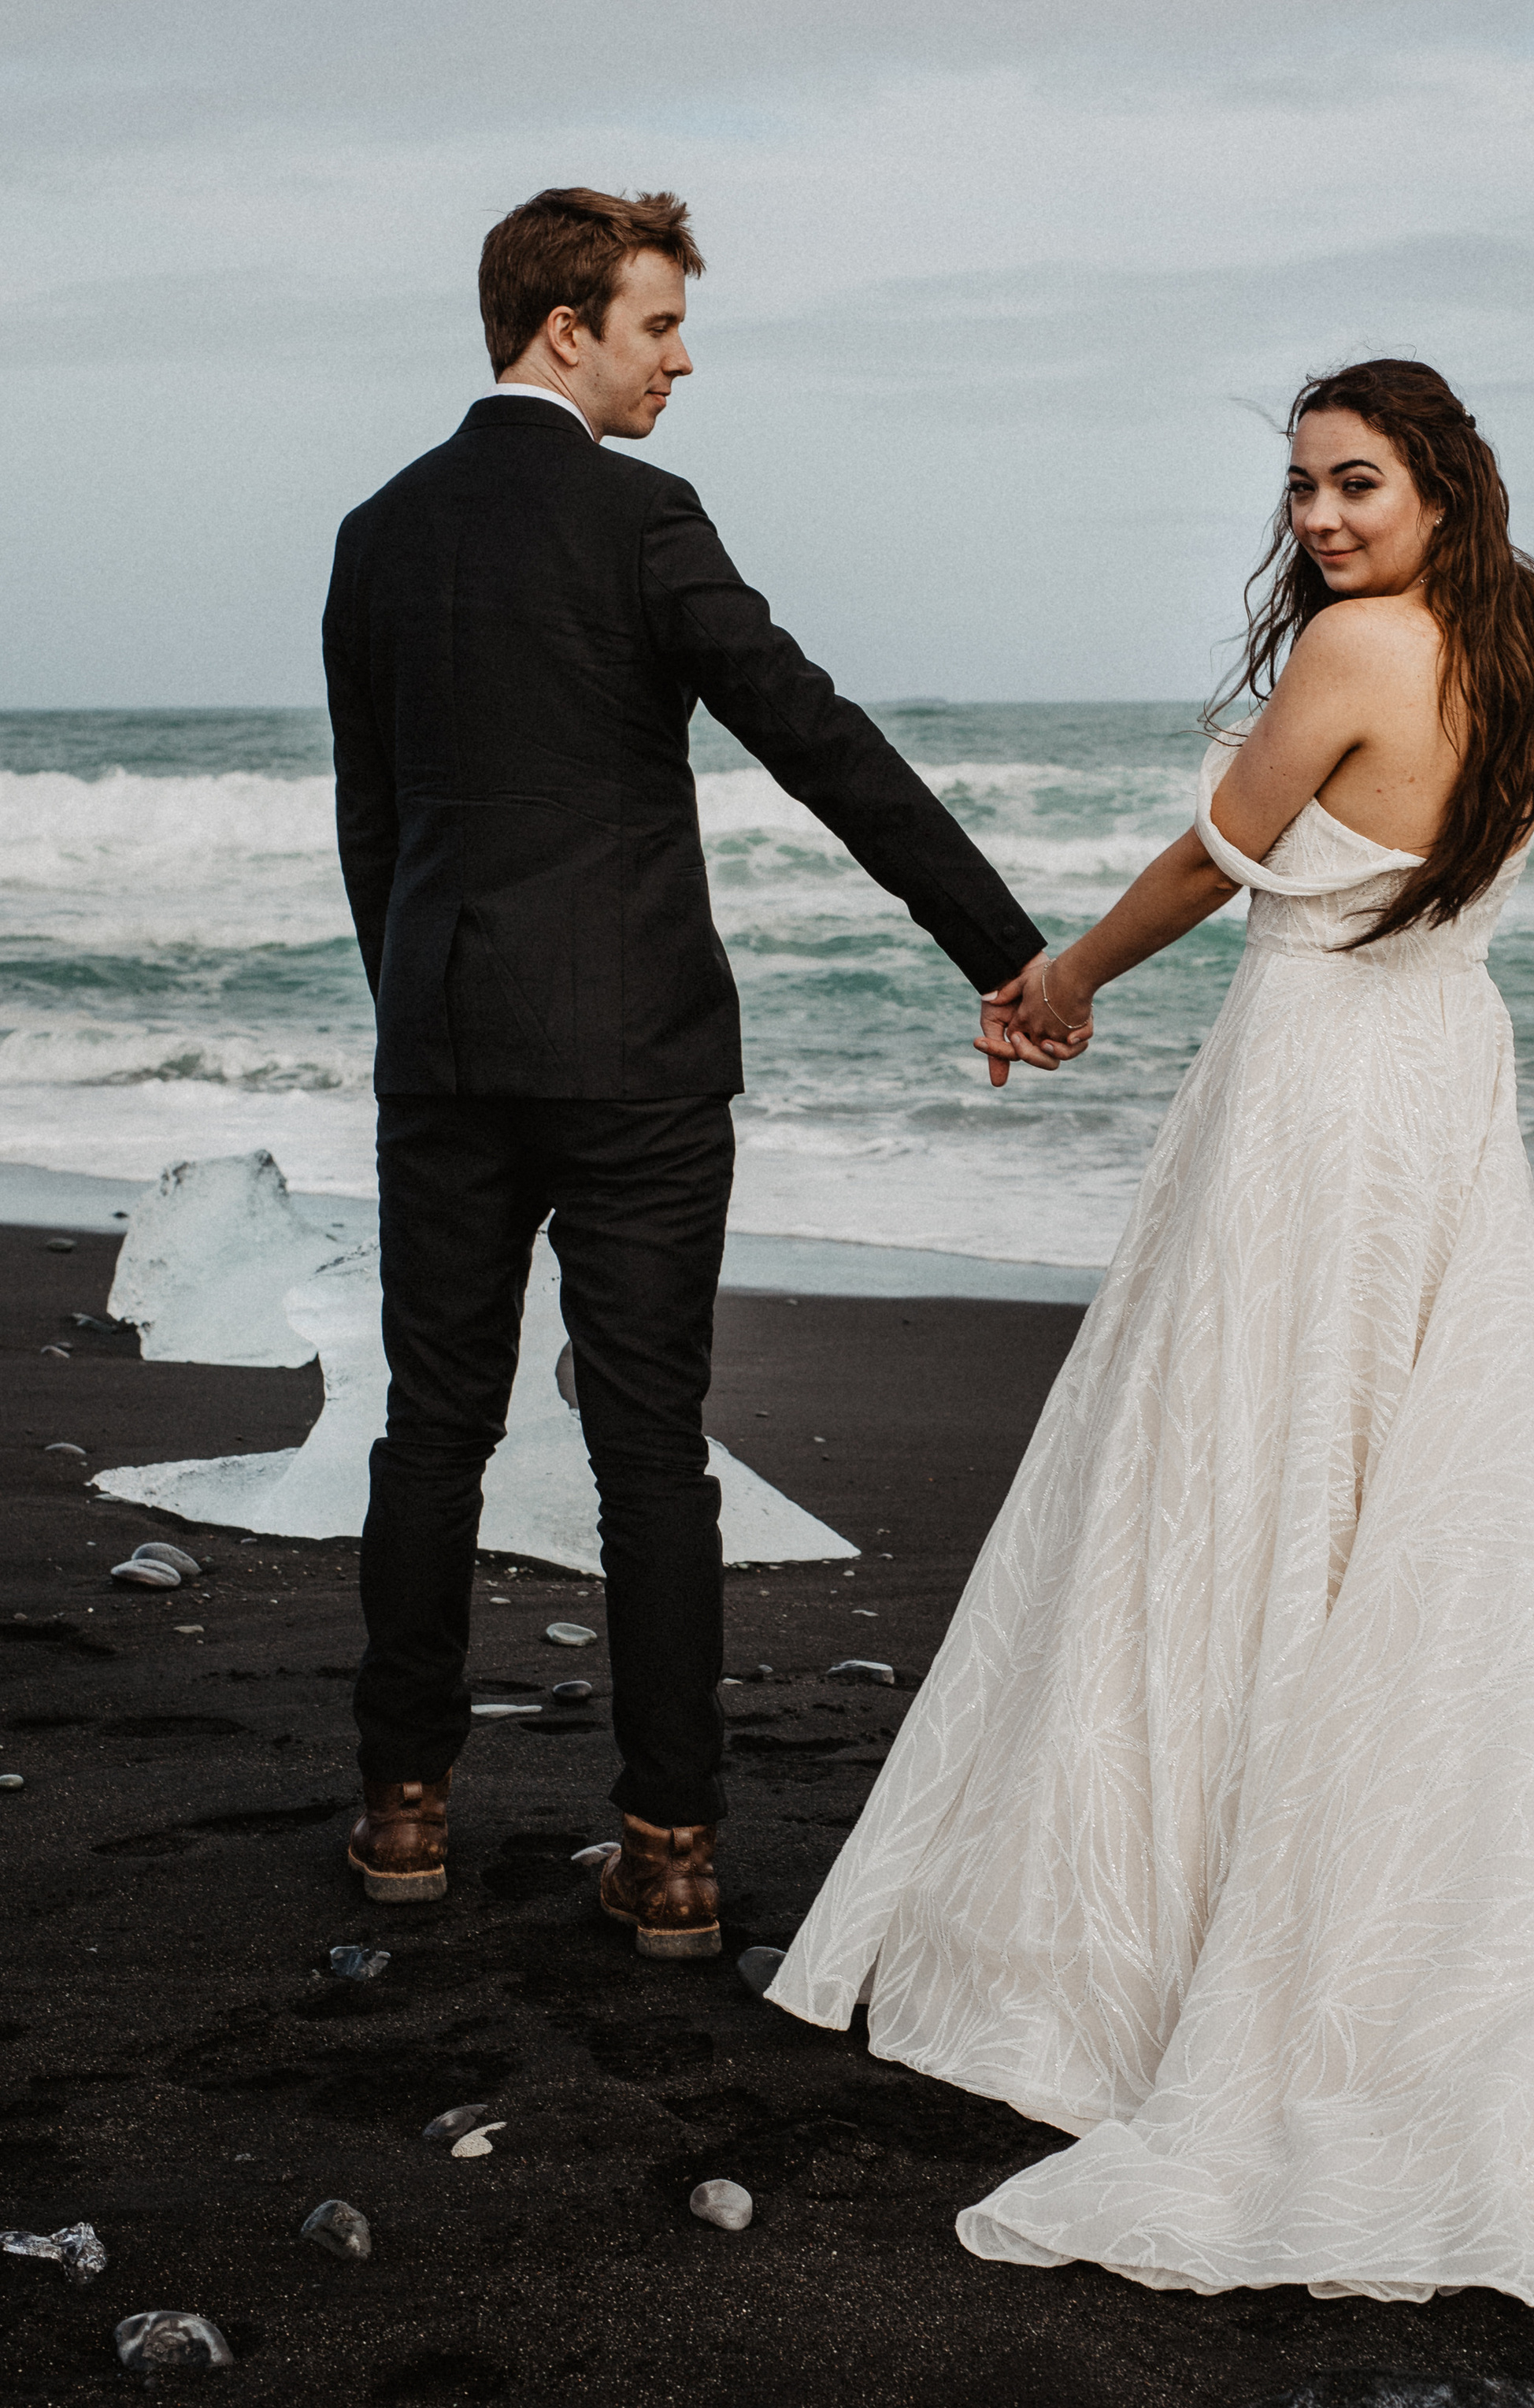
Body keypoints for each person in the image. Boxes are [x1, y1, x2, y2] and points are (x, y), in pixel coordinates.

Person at [771, 358, 1534, 2299]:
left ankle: (1165, 1939)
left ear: (1437, 487)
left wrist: (1051, 979)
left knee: (1237, 1457)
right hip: (1443, 1093)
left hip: (1320, 1090)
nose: (1321, 518)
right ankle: (1340, 1877)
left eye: (1356, 482)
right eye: (1305, 488)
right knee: (1386, 1475)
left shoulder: (1355, 650)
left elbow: (1209, 861)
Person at [324, 185, 1048, 1957]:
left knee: (434, 1427)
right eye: (658, 323)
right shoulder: (642, 519)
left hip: (443, 1041)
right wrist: (1006, 950)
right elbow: (816, 739)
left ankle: (403, 1812)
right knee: (647, 1447)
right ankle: (669, 1855)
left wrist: (419, 999)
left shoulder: (376, 532)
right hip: (637, 1053)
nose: (680, 354)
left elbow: (374, 822)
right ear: (563, 328)